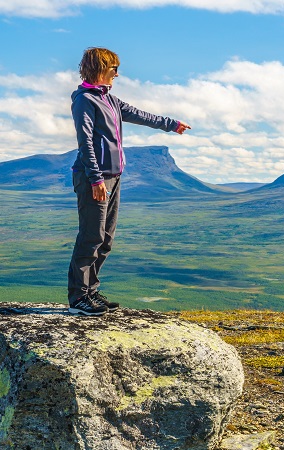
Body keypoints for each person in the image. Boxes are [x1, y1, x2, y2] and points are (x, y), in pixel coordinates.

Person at [67, 47, 191, 316]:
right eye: (114, 69)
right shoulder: (85, 100)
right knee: (91, 236)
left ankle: (91, 291)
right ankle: (78, 298)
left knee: (106, 238)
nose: (117, 74)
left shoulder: (110, 100)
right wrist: (95, 178)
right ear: (101, 67)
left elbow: (141, 115)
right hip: (94, 178)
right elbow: (85, 142)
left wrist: (171, 124)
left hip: (113, 176)